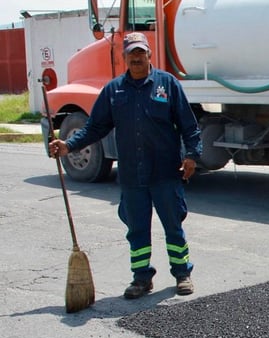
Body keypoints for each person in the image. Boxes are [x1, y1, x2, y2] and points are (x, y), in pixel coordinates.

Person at [49, 32, 202, 299]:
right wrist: (68, 145)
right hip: (133, 175)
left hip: (165, 172)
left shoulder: (168, 84)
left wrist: (191, 155)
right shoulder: (113, 90)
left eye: (141, 53)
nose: (136, 58)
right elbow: (94, 128)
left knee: (173, 226)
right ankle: (141, 278)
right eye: (132, 53)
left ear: (149, 55)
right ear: (124, 58)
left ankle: (182, 274)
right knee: (137, 230)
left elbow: (188, 125)